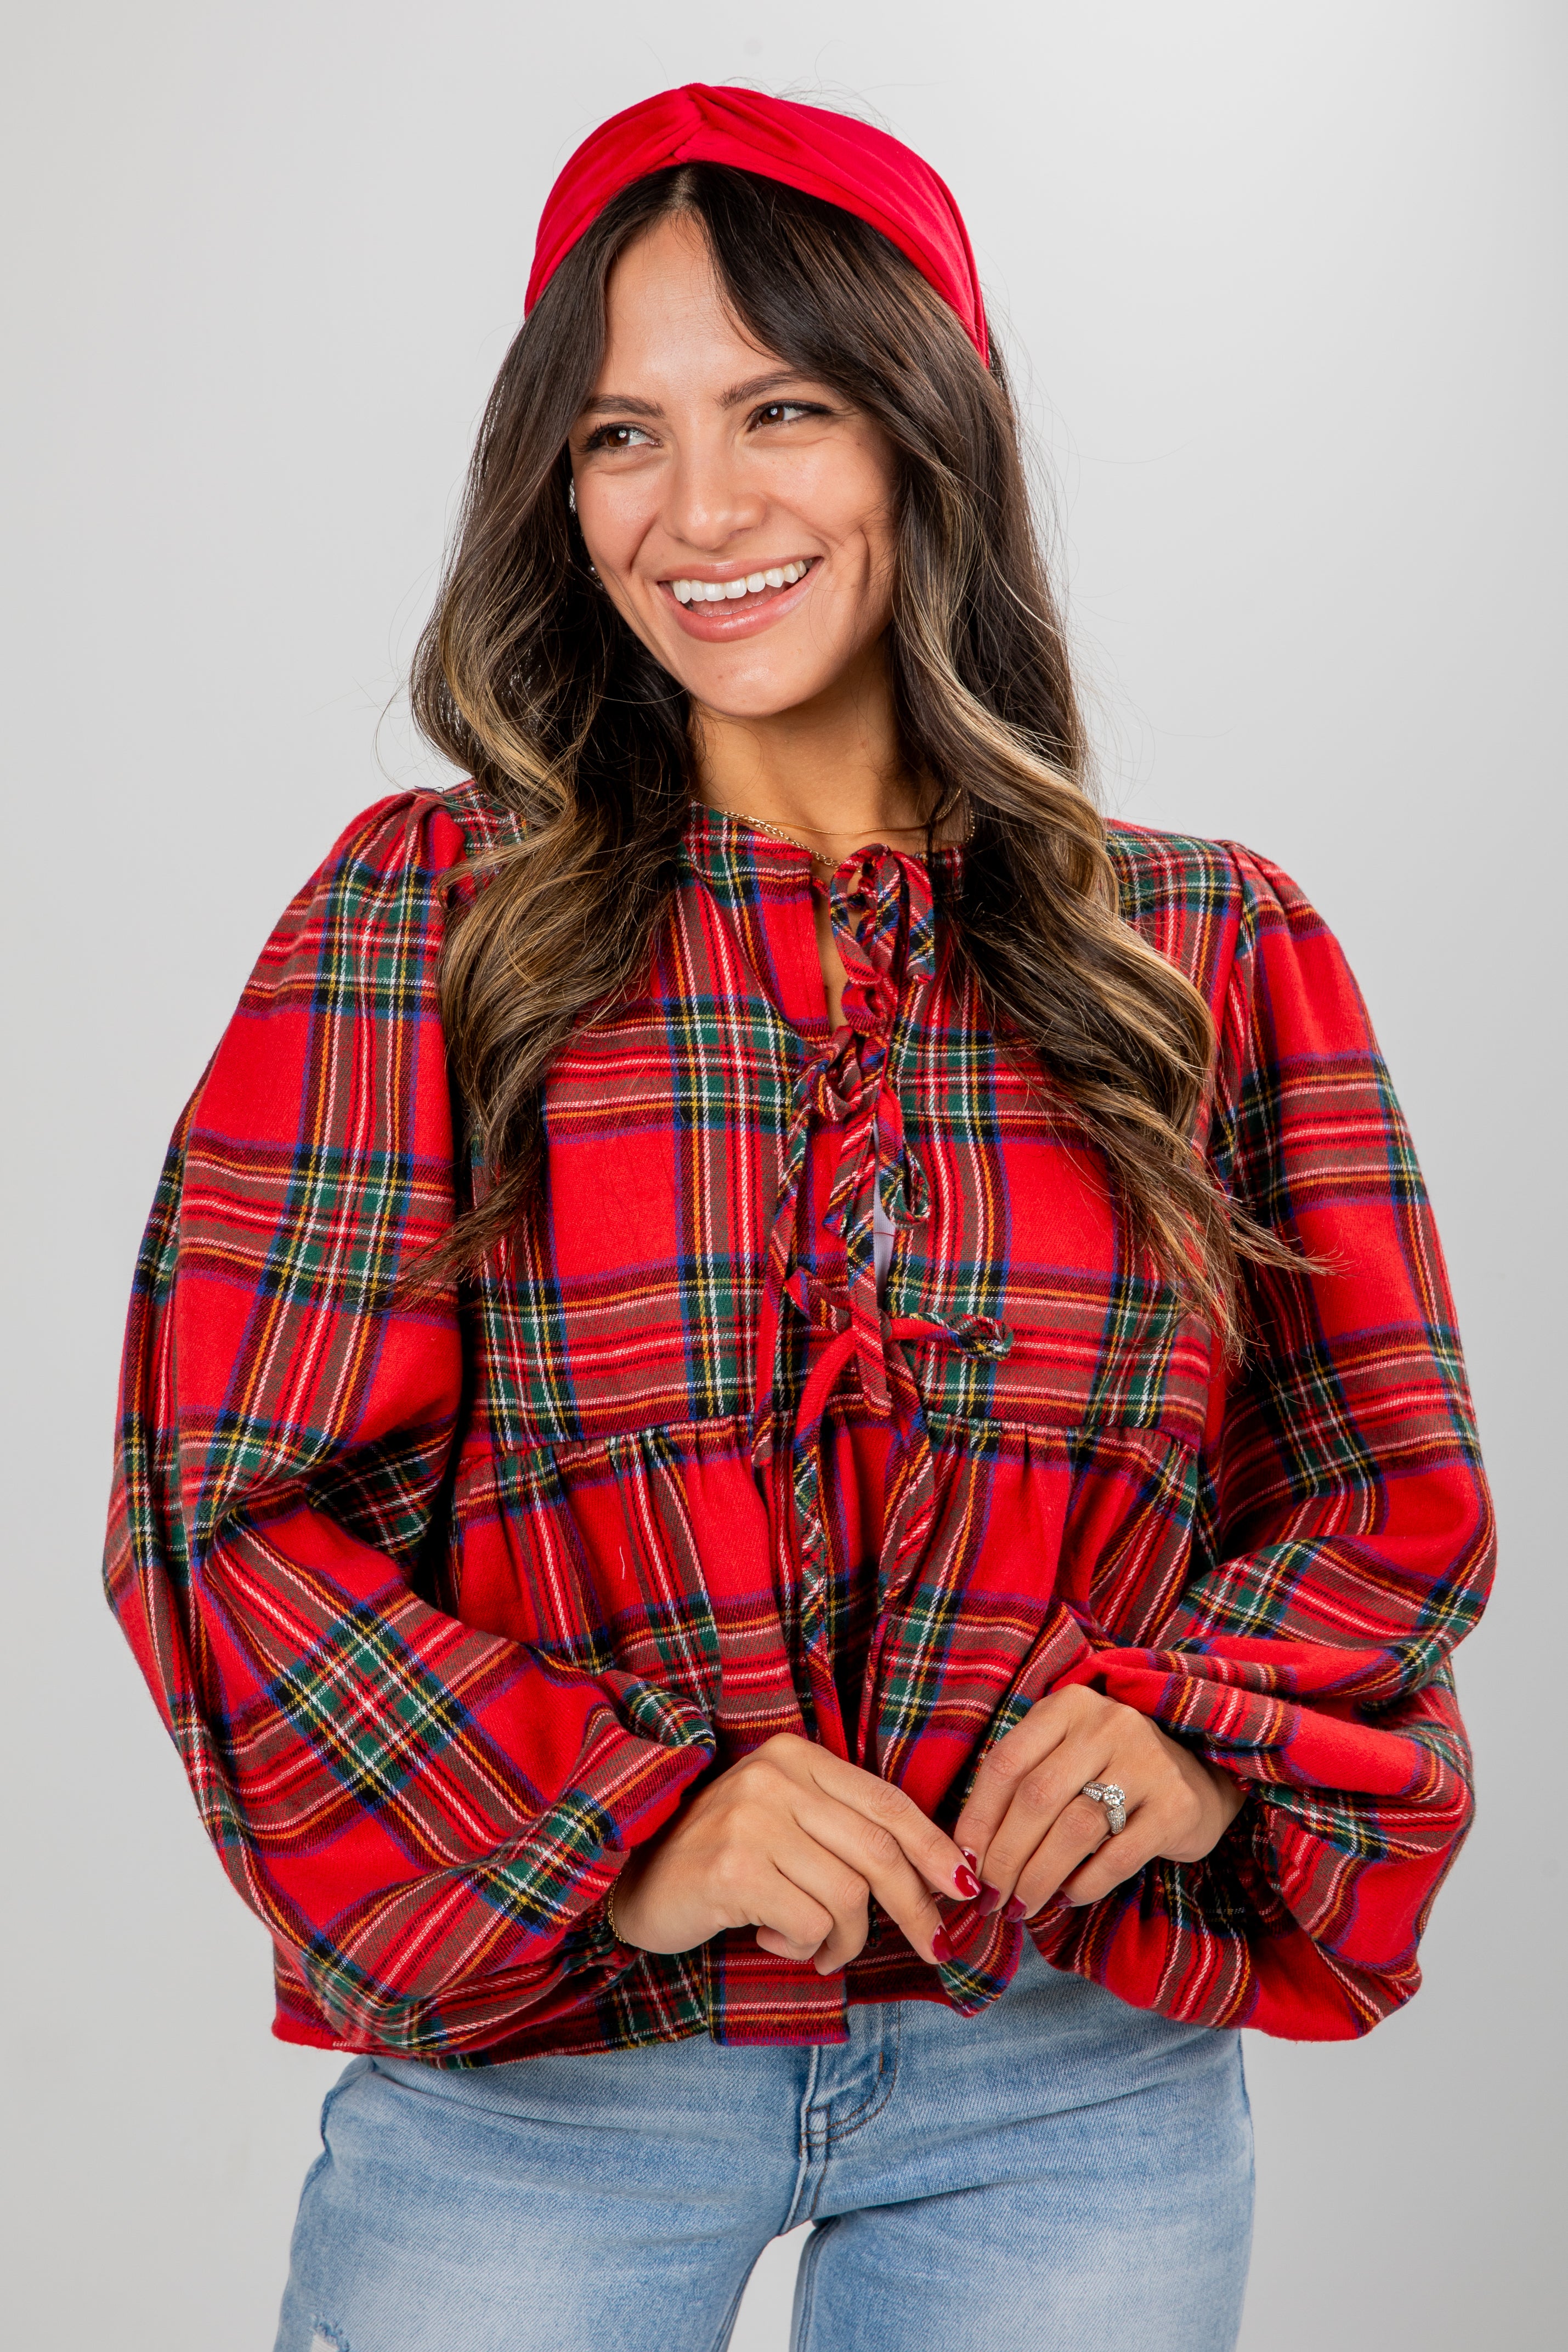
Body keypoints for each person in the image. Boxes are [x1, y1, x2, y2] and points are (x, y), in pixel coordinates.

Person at [105, 84, 1495, 2352]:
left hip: (1068, 2076)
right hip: (556, 2068)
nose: (703, 506)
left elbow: (1381, 1498)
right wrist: (637, 1820)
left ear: (925, 437)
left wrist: (1191, 1725)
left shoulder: (1215, 951)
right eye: (620, 435)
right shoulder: (422, 925)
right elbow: (221, 1515)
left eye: (784, 407)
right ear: (555, 490)